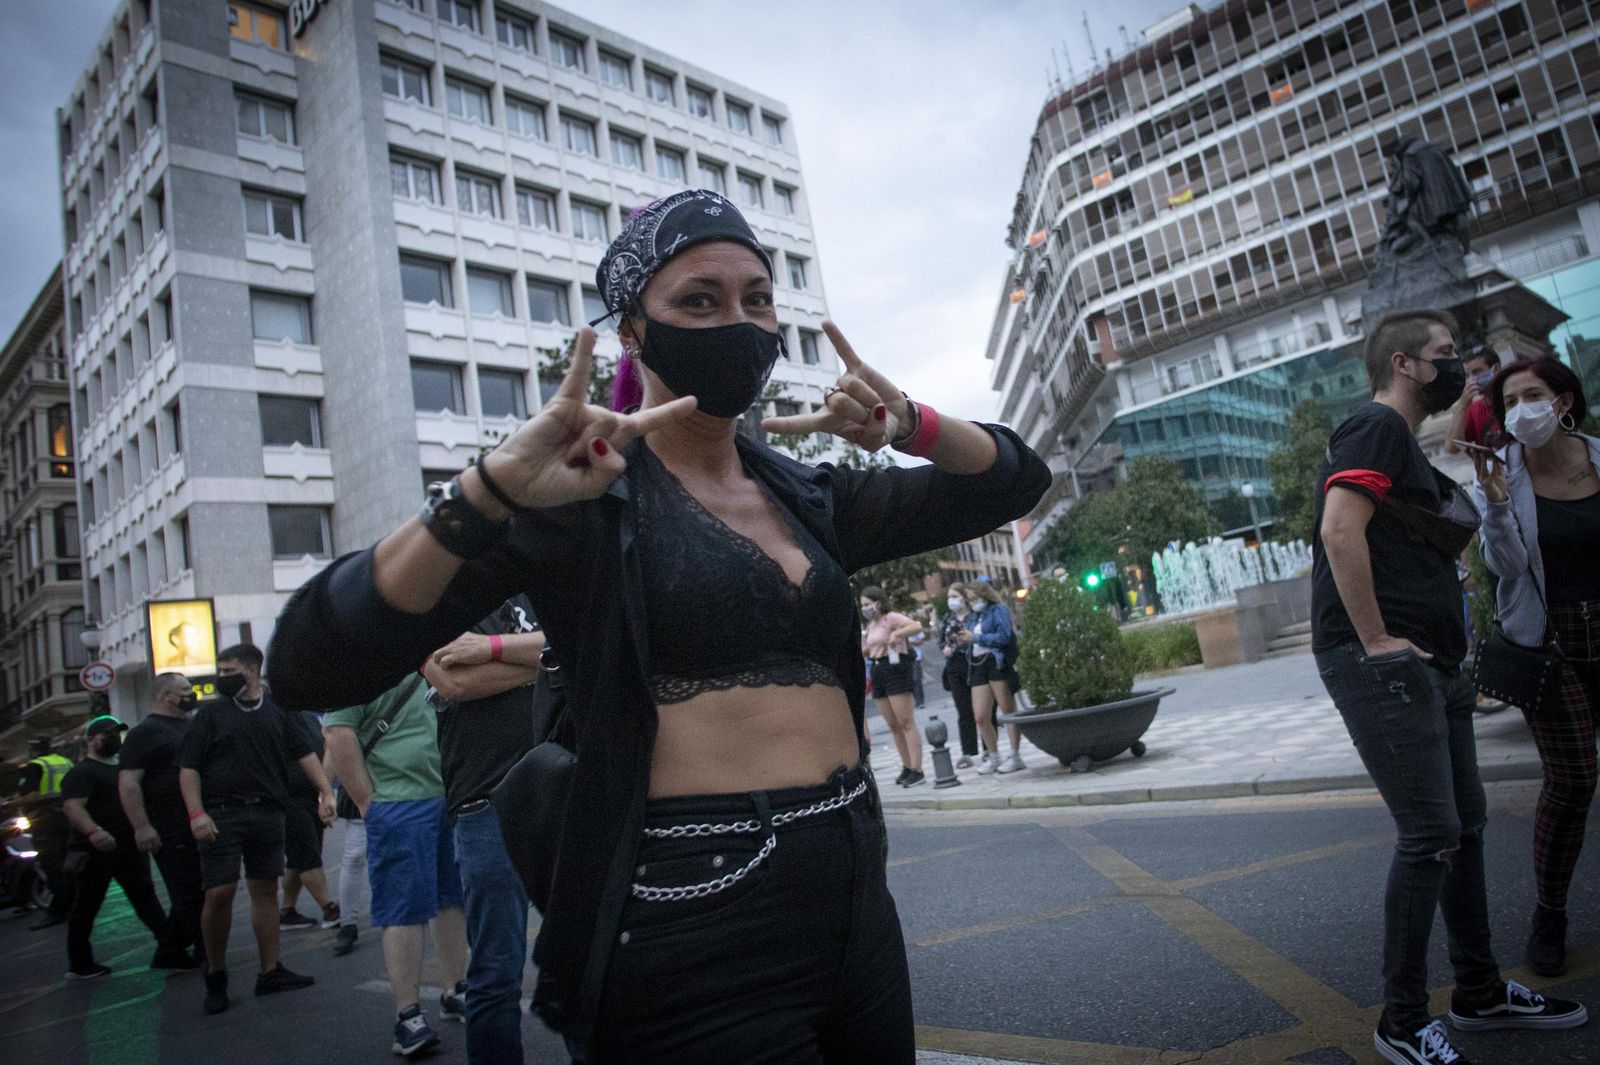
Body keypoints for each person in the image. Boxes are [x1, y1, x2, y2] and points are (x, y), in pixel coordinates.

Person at [265, 187, 1050, 1063]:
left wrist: (911, 422)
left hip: (855, 894)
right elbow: (307, 664)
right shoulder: (583, 494)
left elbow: (1013, 482)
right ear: (634, 329)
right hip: (690, 911)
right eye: (699, 301)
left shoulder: (810, 495)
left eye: (757, 298)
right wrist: (488, 492)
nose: (739, 321)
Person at [1312, 310, 1585, 1065]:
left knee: (1465, 829)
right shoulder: (1373, 427)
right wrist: (1375, 642)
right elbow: (1341, 530)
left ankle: (1479, 990)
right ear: (1405, 364)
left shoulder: (1403, 446)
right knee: (1431, 834)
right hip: (1386, 664)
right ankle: (1401, 1019)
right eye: (1445, 357)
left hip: (1434, 660)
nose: (1461, 369)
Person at [1468, 354, 1600, 979]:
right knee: (1572, 781)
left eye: (1534, 394)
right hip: (1552, 642)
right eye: (1510, 401)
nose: (1524, 408)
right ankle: (1549, 912)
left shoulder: (1599, 455)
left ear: (1564, 401)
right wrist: (1495, 504)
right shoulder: (1503, 476)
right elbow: (1507, 568)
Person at [422, 594, 545, 1065]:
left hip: (562, 793)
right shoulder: (437, 600)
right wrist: (549, 657)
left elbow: (589, 639)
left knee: (586, 960)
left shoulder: (540, 588)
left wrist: (491, 648)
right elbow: (454, 681)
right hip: (483, 802)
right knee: (496, 969)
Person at [179, 643, 332, 1014]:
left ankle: (270, 971)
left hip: (268, 812)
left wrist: (325, 791)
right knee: (219, 894)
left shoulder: (278, 709)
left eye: (228, 670)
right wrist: (197, 814)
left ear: (251, 670)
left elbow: (304, 755)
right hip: (221, 815)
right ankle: (215, 974)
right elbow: (189, 769)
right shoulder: (209, 715)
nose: (221, 677)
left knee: (266, 890)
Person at [323, 673, 469, 1058]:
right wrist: (368, 801)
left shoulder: (430, 650)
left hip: (448, 794)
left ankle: (455, 988)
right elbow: (338, 732)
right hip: (398, 802)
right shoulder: (357, 662)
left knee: (451, 898)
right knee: (404, 909)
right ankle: (408, 1015)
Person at [60, 715, 169, 980]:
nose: (113, 739)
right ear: (90, 741)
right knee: (87, 906)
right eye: (106, 735)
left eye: (116, 734)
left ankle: (170, 947)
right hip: (95, 851)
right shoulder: (82, 772)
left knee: (146, 900)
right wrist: (94, 832)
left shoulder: (121, 769)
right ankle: (80, 963)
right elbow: (72, 807)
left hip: (128, 848)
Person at [118, 672, 205, 967]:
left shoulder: (188, 725)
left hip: (195, 821)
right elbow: (129, 783)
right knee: (189, 893)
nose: (190, 694)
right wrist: (142, 827)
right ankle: (204, 950)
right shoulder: (145, 732)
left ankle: (170, 950)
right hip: (169, 827)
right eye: (184, 689)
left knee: (202, 889)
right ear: (165, 696)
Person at [279, 708, 338, 932]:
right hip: (289, 797)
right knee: (306, 855)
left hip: (311, 795)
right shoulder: (277, 716)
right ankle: (329, 907)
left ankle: (287, 910)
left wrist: (325, 793)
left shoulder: (307, 717)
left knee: (298, 858)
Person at [861, 586, 926, 787]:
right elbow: (872, 647)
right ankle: (906, 766)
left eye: (867, 604)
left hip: (895, 667)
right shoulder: (872, 625)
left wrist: (897, 634)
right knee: (893, 724)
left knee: (906, 721)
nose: (864, 608)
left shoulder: (891, 618)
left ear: (878, 602)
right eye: (862, 605)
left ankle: (918, 769)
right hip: (878, 668)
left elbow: (916, 626)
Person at [959, 581, 1024, 774]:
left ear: (984, 595)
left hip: (996, 662)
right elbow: (970, 642)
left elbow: (1004, 636)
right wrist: (963, 640)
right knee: (980, 716)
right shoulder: (973, 616)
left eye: (975, 598)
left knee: (1007, 710)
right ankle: (994, 755)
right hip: (978, 665)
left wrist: (976, 638)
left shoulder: (998, 610)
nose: (972, 603)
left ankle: (1015, 755)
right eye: (969, 600)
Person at [18, 734, 74, 929]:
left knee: (51, 864)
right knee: (68, 862)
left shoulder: (35, 766)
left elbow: (31, 796)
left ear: (33, 750)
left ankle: (58, 910)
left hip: (45, 820)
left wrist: (10, 803)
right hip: (68, 816)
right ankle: (72, 904)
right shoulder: (64, 761)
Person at [939, 584, 979, 768]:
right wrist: (946, 649)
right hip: (954, 665)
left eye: (954, 596)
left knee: (982, 710)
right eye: (949, 596)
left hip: (975, 661)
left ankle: (989, 749)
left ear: (964, 597)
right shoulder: (947, 618)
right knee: (964, 710)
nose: (951, 600)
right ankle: (969, 752)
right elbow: (941, 641)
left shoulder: (974, 615)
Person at [1444, 345, 1504, 454]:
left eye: (1477, 372)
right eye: (1467, 375)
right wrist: (1462, 405)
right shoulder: (1475, 408)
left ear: (1495, 369)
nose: (1471, 379)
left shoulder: (1514, 400)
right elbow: (1452, 447)